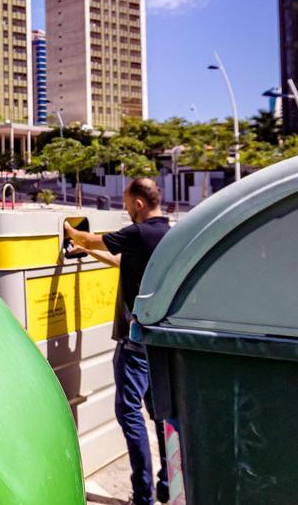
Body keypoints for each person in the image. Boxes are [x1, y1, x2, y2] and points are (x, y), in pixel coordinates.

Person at [65, 177, 170, 505]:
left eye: (127, 204)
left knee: (129, 413)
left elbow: (88, 236)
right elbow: (120, 260)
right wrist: (88, 252)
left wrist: (70, 231)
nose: (125, 210)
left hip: (134, 341)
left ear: (139, 203)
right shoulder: (167, 234)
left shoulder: (137, 232)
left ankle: (143, 496)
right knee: (159, 413)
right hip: (158, 342)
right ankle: (168, 482)